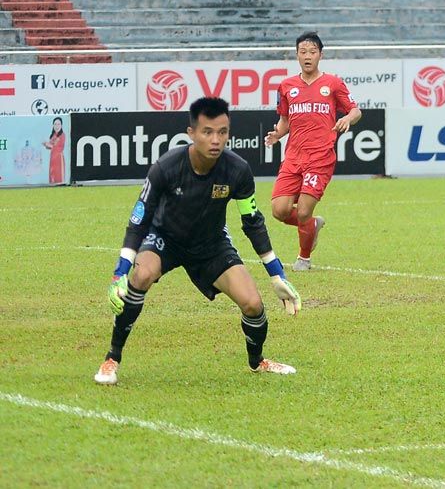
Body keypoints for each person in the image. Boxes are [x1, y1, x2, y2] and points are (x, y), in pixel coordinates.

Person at [95, 97, 302, 385]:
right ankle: (112, 358)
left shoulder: (238, 170)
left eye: (223, 132)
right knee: (141, 274)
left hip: (211, 244)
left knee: (253, 304)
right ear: (191, 133)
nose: (216, 140)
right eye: (207, 132)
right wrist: (120, 271)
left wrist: (276, 273)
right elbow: (139, 219)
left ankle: (258, 362)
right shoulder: (166, 167)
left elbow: (252, 221)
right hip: (165, 238)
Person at [265, 31, 362, 271]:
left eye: (312, 52)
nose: (307, 56)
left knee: (304, 211)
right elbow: (285, 121)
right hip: (293, 157)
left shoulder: (333, 83)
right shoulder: (286, 86)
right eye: (303, 52)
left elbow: (356, 110)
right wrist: (277, 134)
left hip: (320, 156)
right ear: (297, 55)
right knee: (279, 210)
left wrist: (348, 118)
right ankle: (313, 225)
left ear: (320, 54)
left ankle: (304, 259)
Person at [43, 116, 65, 184]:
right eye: (55, 124)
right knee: (52, 173)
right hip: (53, 157)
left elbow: (57, 147)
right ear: (53, 125)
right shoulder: (54, 135)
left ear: (61, 125)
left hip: (58, 158)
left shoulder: (62, 135)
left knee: (58, 175)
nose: (57, 126)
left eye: (58, 124)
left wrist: (49, 145)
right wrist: (46, 144)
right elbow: (50, 146)